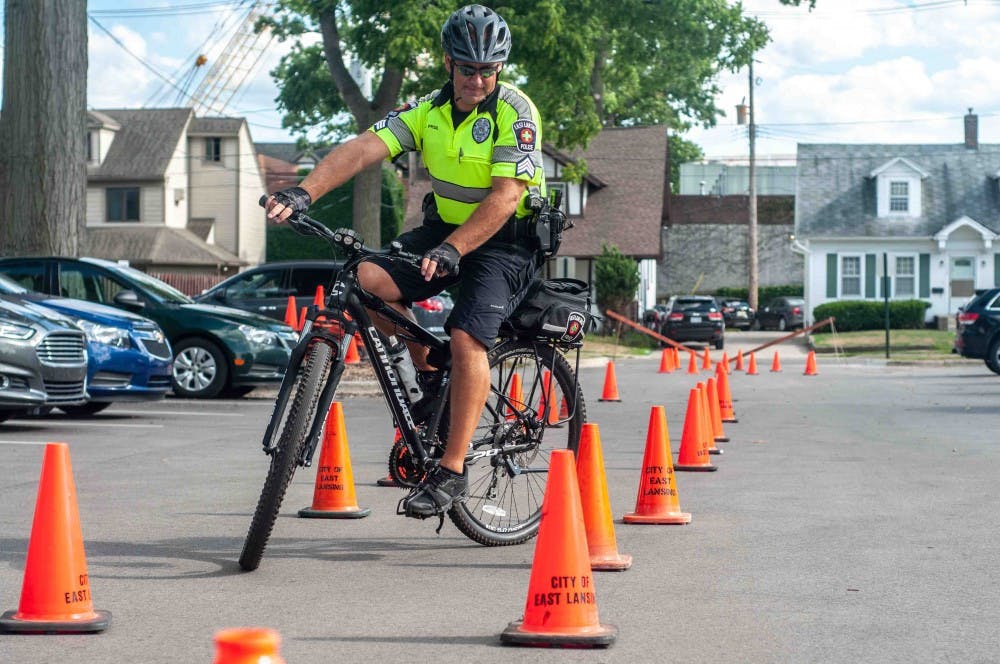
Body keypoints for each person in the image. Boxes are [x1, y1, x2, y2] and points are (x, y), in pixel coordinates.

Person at [264, 4, 545, 520]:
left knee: (466, 336)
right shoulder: (427, 111)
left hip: (507, 239)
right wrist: (304, 191)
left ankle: (452, 472)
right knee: (367, 279)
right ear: (448, 63)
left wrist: (453, 250)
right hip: (444, 230)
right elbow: (363, 148)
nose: (478, 79)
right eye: (467, 68)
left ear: (499, 68)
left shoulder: (516, 111)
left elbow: (506, 196)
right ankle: (431, 371)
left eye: (488, 69)